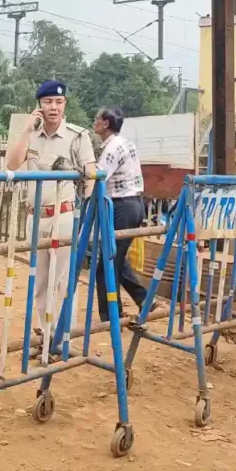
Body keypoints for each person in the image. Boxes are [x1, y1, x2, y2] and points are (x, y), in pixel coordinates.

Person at [6, 80, 96, 360]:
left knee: (61, 281)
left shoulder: (77, 136)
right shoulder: (31, 135)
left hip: (64, 215)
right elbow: (11, 164)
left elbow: (90, 173)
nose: (53, 107)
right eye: (47, 102)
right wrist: (25, 130)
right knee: (40, 280)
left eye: (58, 102)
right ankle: (42, 336)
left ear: (64, 104)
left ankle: (59, 339)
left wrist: (83, 205)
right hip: (36, 218)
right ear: (39, 106)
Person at [91, 106, 149, 322]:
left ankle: (110, 316)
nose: (94, 121)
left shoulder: (112, 149)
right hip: (132, 204)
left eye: (97, 118)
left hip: (122, 206)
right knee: (117, 258)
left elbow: (98, 177)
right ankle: (144, 300)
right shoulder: (125, 143)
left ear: (106, 123)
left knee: (106, 266)